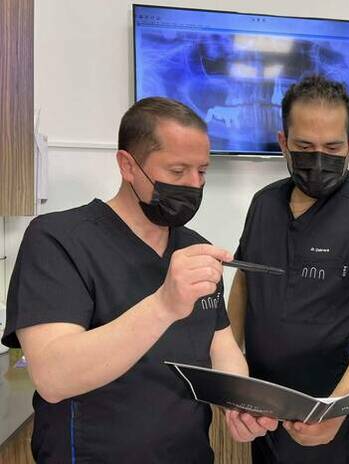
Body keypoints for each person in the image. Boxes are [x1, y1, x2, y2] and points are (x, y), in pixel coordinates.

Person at [1, 97, 277, 463]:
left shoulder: (195, 250)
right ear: (128, 165)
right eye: (177, 171)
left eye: (202, 171)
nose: (194, 185)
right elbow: (53, 377)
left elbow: (221, 347)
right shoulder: (58, 240)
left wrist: (241, 404)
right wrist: (164, 305)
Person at [227, 75, 349, 463]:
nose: (318, 159)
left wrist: (335, 408)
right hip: (267, 417)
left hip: (344, 424)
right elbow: (245, 282)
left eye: (332, 147)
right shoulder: (264, 204)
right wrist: (231, 381)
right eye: (304, 147)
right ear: (283, 142)